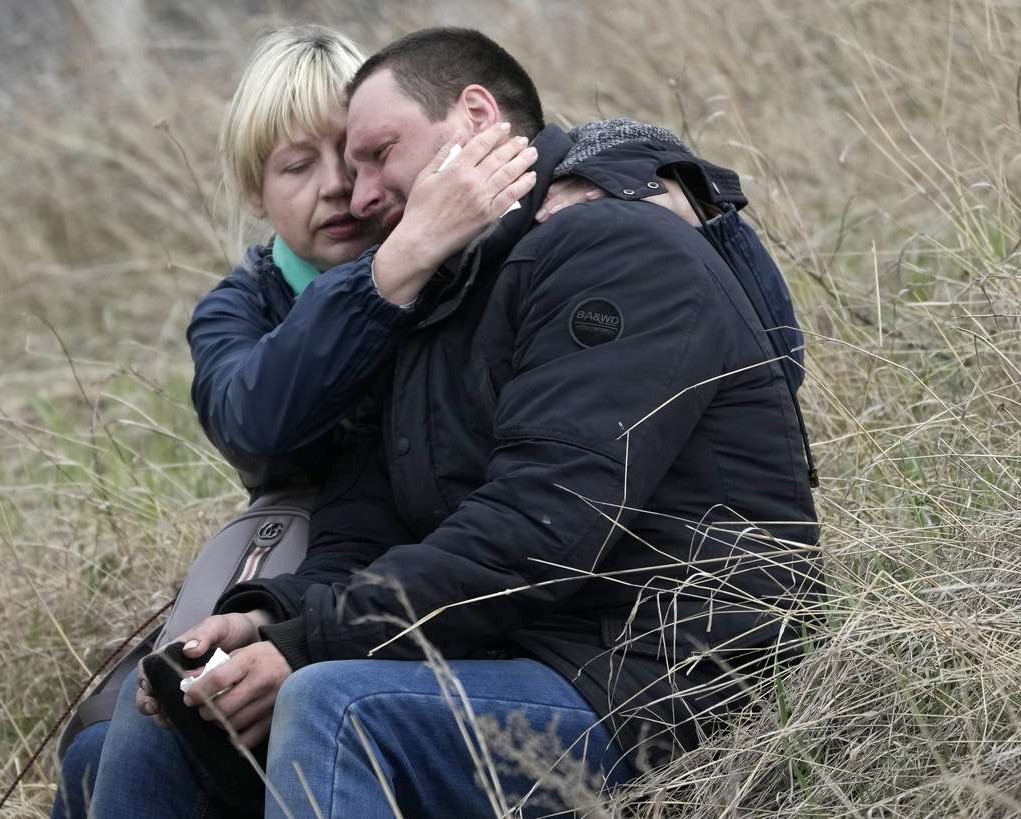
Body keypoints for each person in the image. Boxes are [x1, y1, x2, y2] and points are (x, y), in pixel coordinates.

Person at [101, 26, 821, 819]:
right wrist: (271, 614)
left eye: (373, 154)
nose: (358, 193)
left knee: (336, 708)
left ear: (476, 116)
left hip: (658, 677)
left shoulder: (610, 238)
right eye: (314, 167)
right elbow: (364, 518)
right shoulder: (425, 298)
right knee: (161, 723)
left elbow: (537, 531)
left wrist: (307, 646)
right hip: (509, 653)